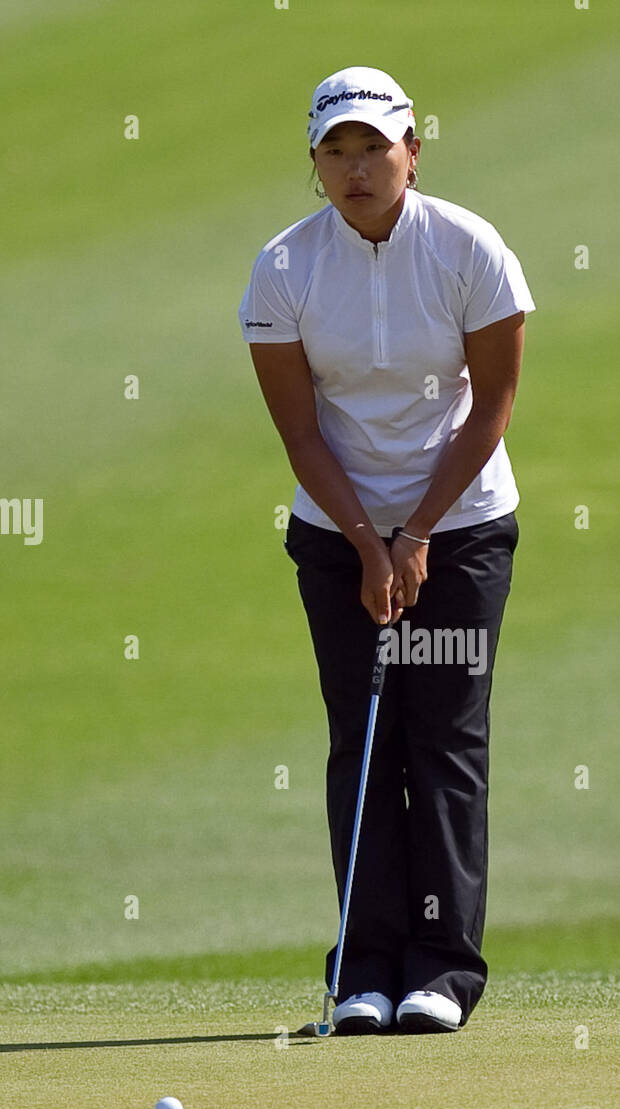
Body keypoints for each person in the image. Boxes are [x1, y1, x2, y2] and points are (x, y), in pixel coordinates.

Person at [238, 65, 535, 1034]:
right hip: (335, 535)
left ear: (413, 150)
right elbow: (299, 434)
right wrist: (369, 544)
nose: (356, 168)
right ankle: (362, 970)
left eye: (374, 148)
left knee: (442, 740)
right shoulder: (283, 269)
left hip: (462, 526)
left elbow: (487, 409)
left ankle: (440, 974)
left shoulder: (468, 249)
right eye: (336, 152)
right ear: (314, 164)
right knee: (363, 741)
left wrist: (413, 538)